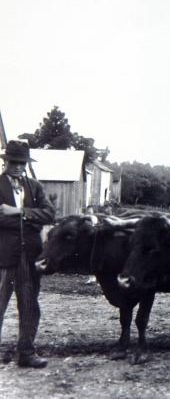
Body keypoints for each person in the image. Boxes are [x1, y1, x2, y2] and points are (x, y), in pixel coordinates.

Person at [0, 140, 55, 368]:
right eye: (14, 162)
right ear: (6, 162)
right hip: (3, 257)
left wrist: (18, 212)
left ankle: (26, 353)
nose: (18, 166)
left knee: (30, 305)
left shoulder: (35, 186)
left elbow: (50, 214)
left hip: (30, 257)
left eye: (22, 163)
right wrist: (31, 219)